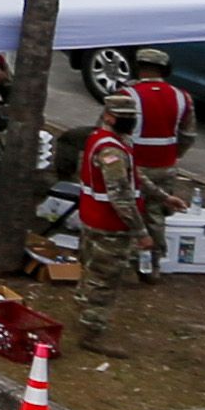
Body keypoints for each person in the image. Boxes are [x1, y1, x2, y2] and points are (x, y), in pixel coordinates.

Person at [71, 89, 181, 350]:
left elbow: (135, 177)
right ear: (109, 117)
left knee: (91, 271)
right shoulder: (113, 151)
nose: (130, 121)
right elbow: (120, 195)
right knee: (104, 279)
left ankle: (84, 312)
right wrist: (141, 232)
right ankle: (92, 333)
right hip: (109, 226)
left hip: (92, 218)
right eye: (124, 117)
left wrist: (164, 197)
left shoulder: (102, 140)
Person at [124, 49, 189, 175]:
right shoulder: (182, 96)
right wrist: (175, 155)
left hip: (134, 166)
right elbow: (188, 135)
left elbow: (109, 131)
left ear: (137, 66)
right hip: (167, 166)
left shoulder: (127, 95)